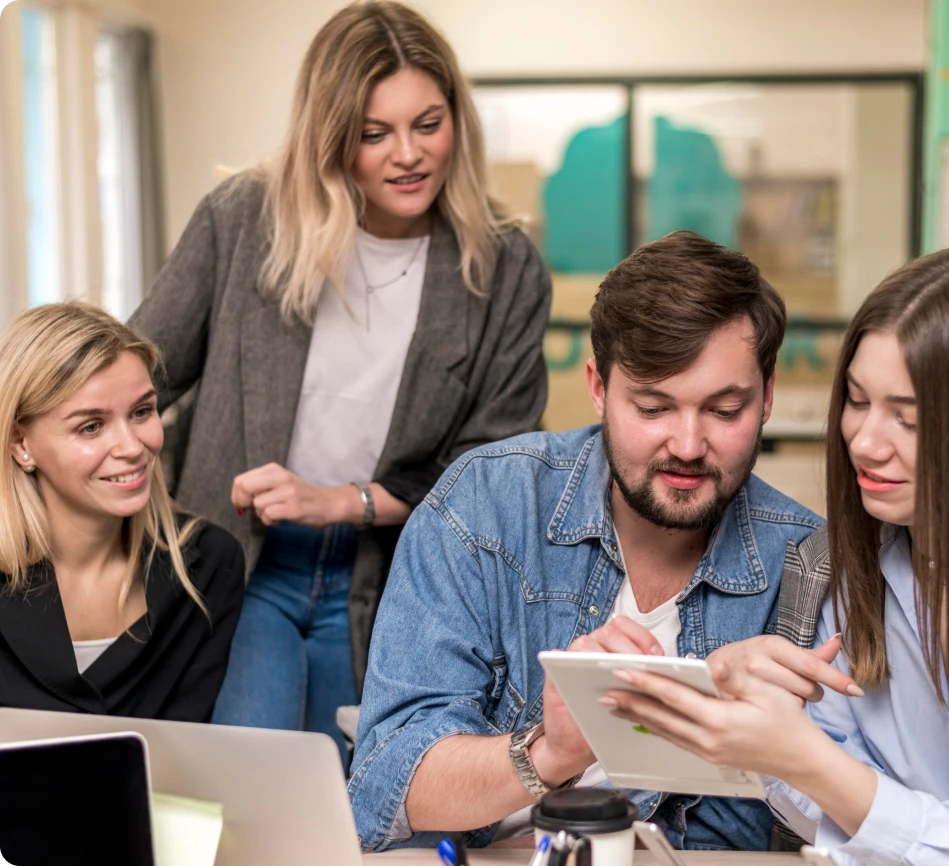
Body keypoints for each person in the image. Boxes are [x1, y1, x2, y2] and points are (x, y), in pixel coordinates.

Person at [128, 0, 551, 768]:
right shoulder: (243, 220)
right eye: (372, 133)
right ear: (329, 135)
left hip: (383, 580)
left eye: (428, 124)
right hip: (241, 562)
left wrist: (342, 503)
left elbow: (497, 464)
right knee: (249, 789)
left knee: (352, 797)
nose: (408, 155)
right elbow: (137, 378)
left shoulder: (505, 266)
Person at [348, 230, 831, 852]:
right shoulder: (487, 505)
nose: (688, 446)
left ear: (766, 398)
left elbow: (831, 828)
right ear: (598, 388)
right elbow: (383, 786)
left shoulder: (808, 565)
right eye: (653, 408)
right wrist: (552, 752)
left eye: (724, 411)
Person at [605, 246, 949, 865]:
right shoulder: (849, 566)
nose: (864, 442)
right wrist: (761, 716)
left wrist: (804, 757)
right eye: (858, 401)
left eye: (909, 420)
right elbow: (829, 814)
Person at [0, 302, 244, 721]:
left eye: (142, 411)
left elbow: (187, 745)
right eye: (91, 426)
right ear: (21, 444)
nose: (133, 447)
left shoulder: (208, 567)